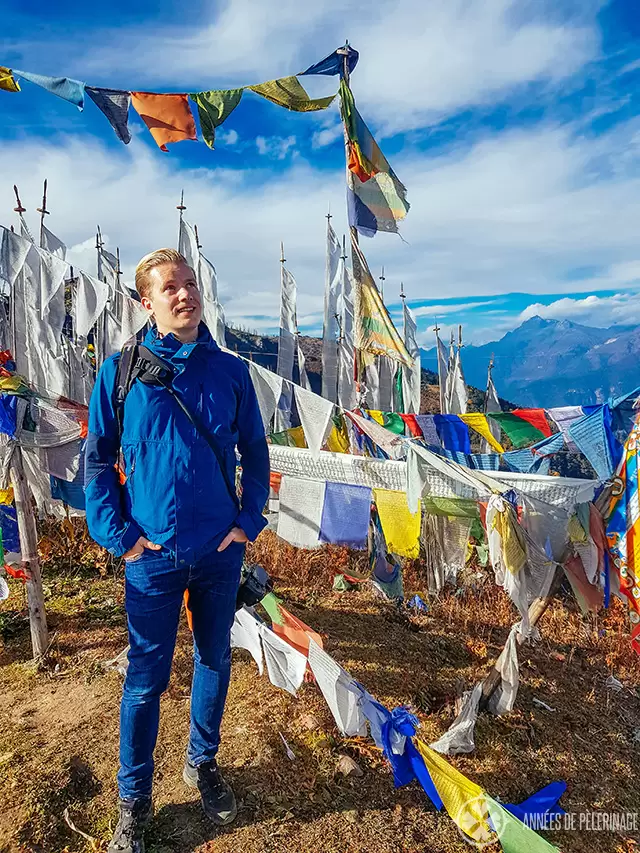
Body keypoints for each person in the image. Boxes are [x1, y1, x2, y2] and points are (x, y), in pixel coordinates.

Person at [85, 249, 270, 853]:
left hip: (220, 551)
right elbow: (96, 464)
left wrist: (248, 520)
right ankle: (133, 803)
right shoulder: (118, 375)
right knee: (145, 681)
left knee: (214, 660)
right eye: (171, 287)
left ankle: (203, 763)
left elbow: (256, 453)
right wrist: (122, 538)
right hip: (153, 555)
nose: (185, 294)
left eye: (190, 283)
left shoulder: (233, 374)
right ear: (147, 302)